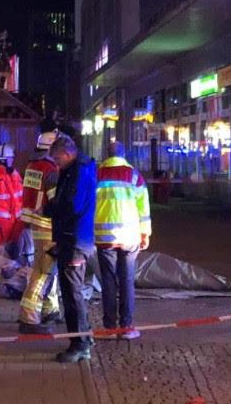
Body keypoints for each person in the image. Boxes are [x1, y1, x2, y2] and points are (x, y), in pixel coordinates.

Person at [44, 133, 97, 364]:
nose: (56, 165)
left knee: (72, 293)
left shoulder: (78, 172)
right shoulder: (78, 169)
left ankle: (80, 344)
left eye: (57, 160)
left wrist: (51, 207)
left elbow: (72, 204)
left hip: (74, 239)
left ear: (67, 154)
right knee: (71, 291)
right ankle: (83, 337)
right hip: (74, 238)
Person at [94, 142, 151, 340]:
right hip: (129, 236)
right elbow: (143, 208)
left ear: (106, 155)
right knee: (127, 280)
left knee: (108, 281)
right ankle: (126, 326)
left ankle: (109, 327)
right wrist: (145, 233)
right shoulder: (134, 176)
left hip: (103, 237)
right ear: (124, 154)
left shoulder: (97, 175)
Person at [18, 129, 63, 334]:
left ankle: (50, 309)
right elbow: (56, 201)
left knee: (48, 269)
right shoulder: (52, 170)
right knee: (43, 272)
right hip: (48, 225)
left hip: (35, 223)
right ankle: (29, 317)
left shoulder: (32, 165)